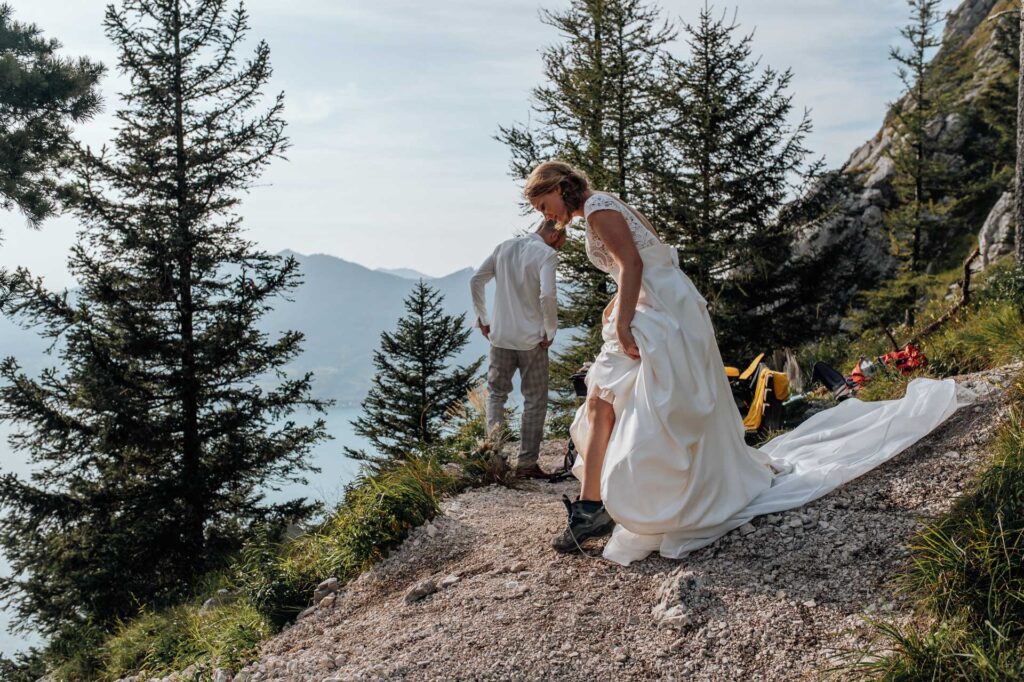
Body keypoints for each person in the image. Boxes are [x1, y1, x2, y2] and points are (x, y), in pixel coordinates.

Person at [523, 160, 959, 562]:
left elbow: (635, 261)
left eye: (546, 204)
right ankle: (596, 504)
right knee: (615, 399)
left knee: (621, 399)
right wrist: (619, 302)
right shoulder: (604, 204)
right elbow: (645, 260)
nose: (548, 216)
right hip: (660, 304)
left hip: (658, 312)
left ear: (562, 188)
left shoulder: (598, 208)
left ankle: (595, 507)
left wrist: (622, 321)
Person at [470, 219, 566, 479]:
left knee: (496, 395)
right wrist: (550, 329)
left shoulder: (504, 247)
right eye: (562, 241)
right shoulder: (547, 254)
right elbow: (547, 295)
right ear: (555, 235)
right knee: (535, 400)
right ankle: (526, 465)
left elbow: (476, 280)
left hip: (500, 337)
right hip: (531, 340)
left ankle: (495, 458)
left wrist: (483, 318)